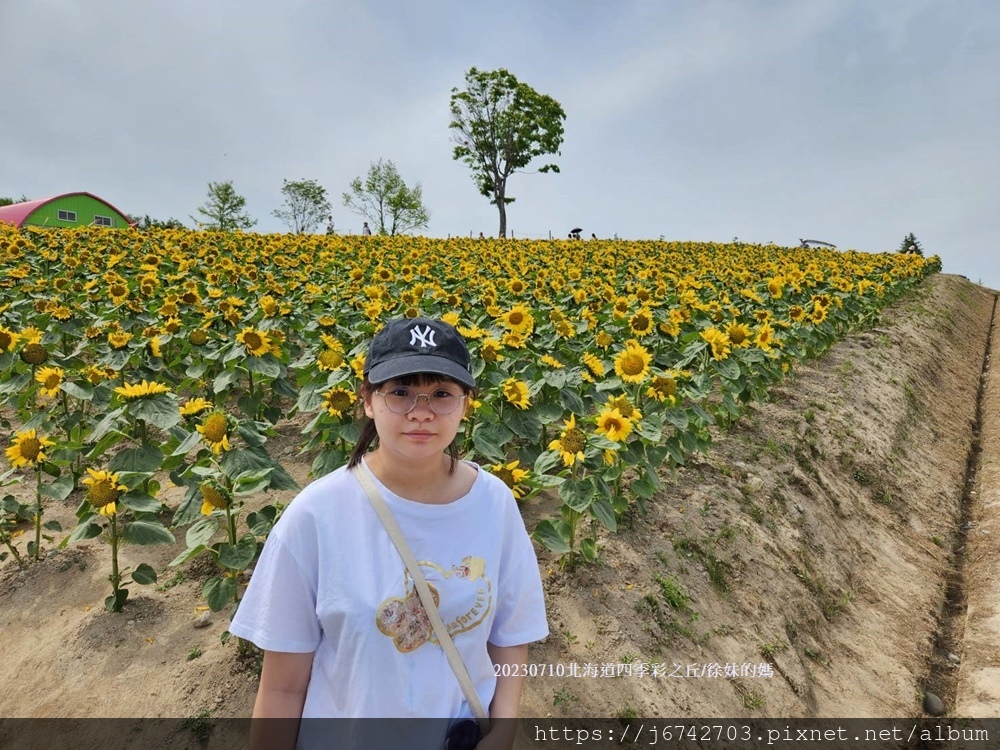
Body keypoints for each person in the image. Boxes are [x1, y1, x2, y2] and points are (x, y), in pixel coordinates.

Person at [229, 317, 548, 750]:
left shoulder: (494, 504)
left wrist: (505, 729)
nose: (421, 411)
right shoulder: (316, 515)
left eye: (441, 394)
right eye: (399, 392)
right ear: (367, 400)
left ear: (466, 403)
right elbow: (283, 688)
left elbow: (510, 638)